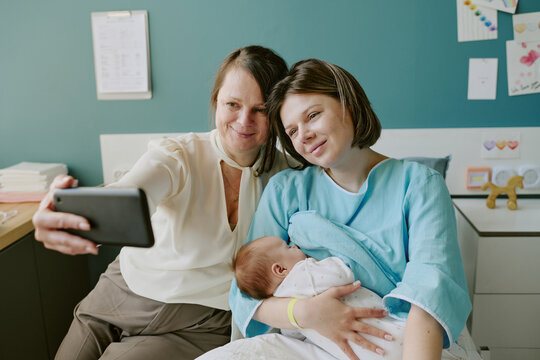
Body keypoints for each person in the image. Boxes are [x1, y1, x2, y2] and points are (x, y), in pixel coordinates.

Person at [31, 45, 291, 360]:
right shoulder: (177, 155)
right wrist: (66, 214)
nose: (243, 120)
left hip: (202, 321)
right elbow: (132, 191)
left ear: (277, 111)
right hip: (124, 290)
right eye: (232, 104)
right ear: (215, 102)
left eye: (260, 109)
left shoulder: (288, 177)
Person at [226, 58, 472, 360]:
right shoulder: (284, 190)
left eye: (313, 115)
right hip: (309, 340)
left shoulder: (419, 185)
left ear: (349, 105)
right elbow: (246, 295)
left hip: (397, 338)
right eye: (291, 131)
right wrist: (306, 312)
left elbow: (428, 296)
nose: (303, 135)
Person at [234, 235, 405, 360]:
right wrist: (326, 260)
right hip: (388, 334)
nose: (294, 246)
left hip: (359, 353)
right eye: (287, 246)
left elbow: (294, 336)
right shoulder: (304, 272)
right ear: (280, 270)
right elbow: (343, 274)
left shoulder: (283, 300)